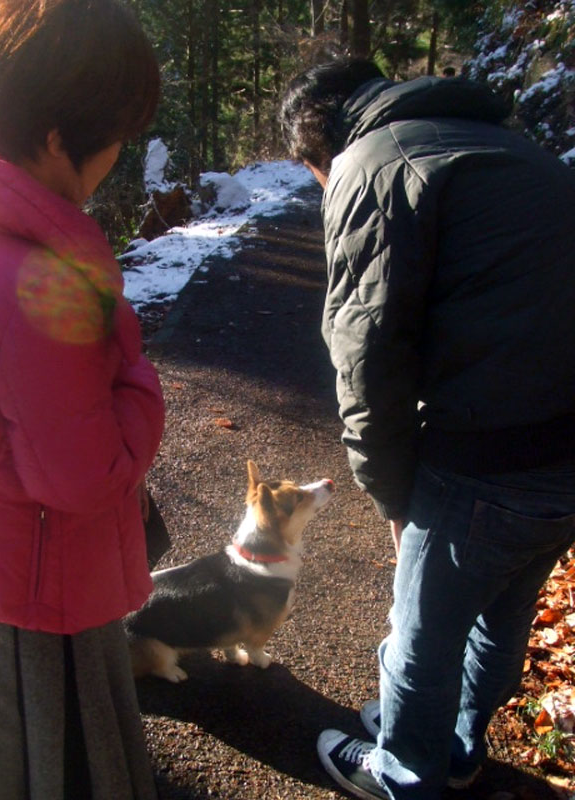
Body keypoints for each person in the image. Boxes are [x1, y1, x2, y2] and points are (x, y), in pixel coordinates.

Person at [280, 59, 575, 800]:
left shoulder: (371, 164)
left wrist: (394, 495)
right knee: (504, 611)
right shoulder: (517, 147)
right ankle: (461, 747)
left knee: (421, 634)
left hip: (484, 457)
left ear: (318, 150)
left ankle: (406, 773)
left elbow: (367, 354)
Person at [0, 1, 165, 798]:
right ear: (59, 139)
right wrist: (141, 384)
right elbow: (84, 476)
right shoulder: (36, 281)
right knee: (64, 763)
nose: (118, 154)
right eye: (117, 133)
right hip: (39, 592)